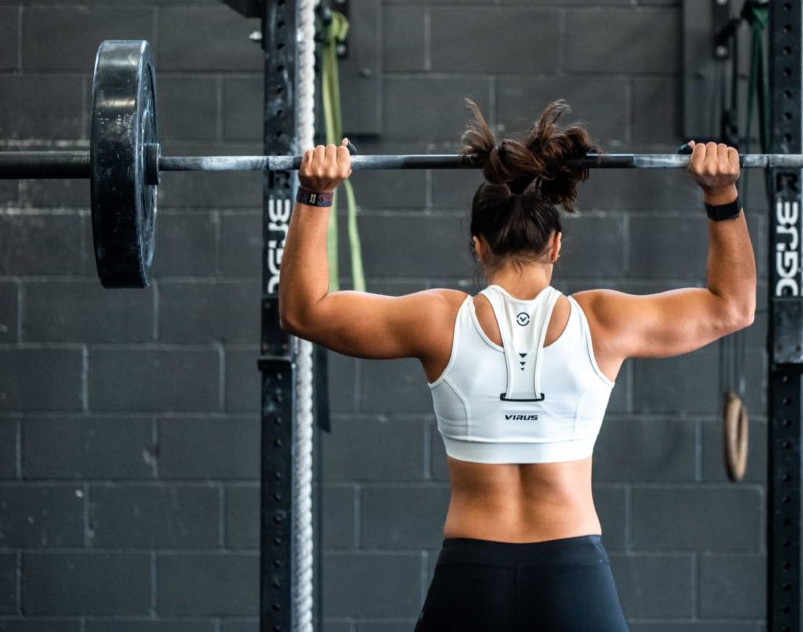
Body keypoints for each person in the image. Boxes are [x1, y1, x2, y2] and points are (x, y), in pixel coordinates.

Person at [279, 100, 756, 632]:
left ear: (477, 246)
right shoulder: (602, 321)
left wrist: (316, 194)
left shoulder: (439, 320)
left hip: (470, 576)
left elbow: (304, 311)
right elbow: (731, 306)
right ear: (556, 245)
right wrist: (722, 195)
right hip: (573, 575)